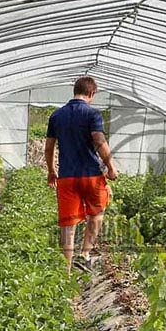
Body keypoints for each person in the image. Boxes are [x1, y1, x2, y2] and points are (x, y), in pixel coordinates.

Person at [45, 76, 118, 273]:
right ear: (92, 93)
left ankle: (66, 270)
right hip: (91, 175)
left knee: (68, 224)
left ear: (74, 91)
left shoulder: (56, 116)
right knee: (96, 213)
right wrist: (110, 165)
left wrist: (52, 171)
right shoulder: (92, 114)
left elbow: (49, 147)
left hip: (67, 176)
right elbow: (99, 141)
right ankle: (85, 254)